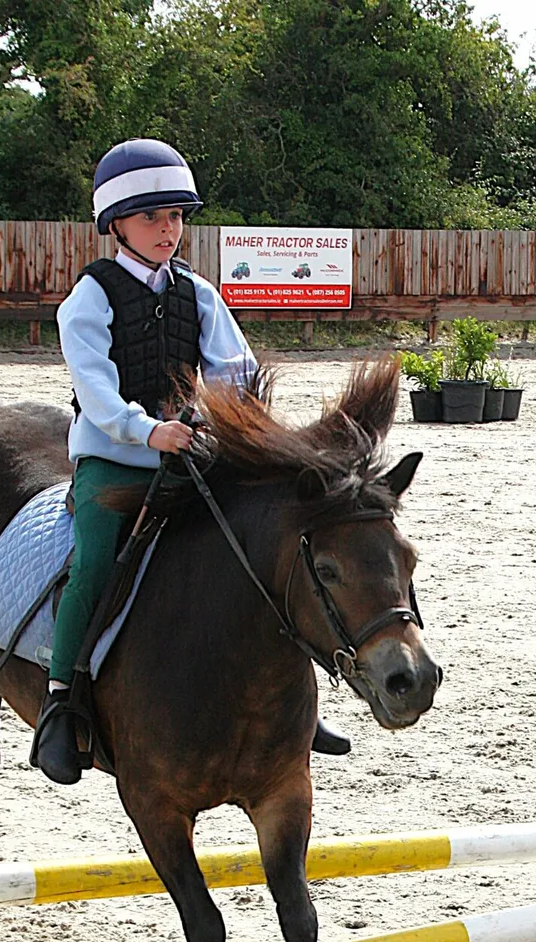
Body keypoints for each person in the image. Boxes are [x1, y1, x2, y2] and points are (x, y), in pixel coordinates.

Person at [33, 138, 351, 784]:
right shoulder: (89, 299)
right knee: (94, 557)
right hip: (115, 460)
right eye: (154, 218)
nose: (168, 230)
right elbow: (94, 390)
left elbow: (235, 369)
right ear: (116, 224)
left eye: (177, 217)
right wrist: (147, 431)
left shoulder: (198, 292)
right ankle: (62, 700)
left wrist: (214, 419)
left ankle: (295, 696)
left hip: (192, 452)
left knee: (265, 538)